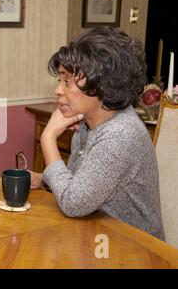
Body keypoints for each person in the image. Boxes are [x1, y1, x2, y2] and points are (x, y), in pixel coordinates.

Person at [30, 27, 165, 240]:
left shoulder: (119, 134)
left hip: (133, 250)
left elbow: (73, 204)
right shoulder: (89, 123)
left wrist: (48, 138)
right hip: (97, 237)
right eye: (60, 81)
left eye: (67, 82)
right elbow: (85, 185)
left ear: (101, 86)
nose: (58, 91)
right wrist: (44, 179)